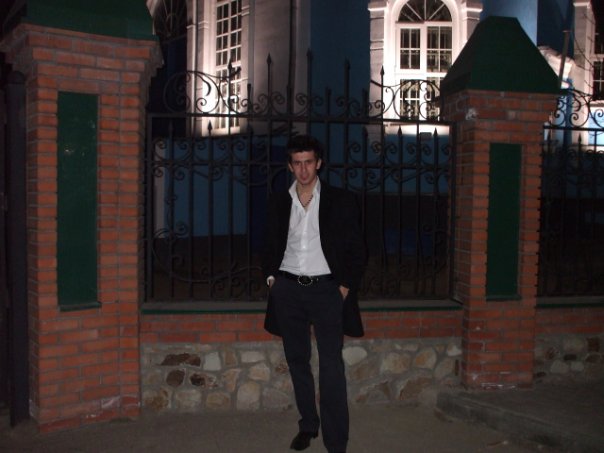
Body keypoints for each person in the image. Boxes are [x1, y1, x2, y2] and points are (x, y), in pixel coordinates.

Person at [262, 135, 366, 453]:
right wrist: (272, 280)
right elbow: (268, 242)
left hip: (326, 290)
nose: (303, 169)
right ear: (290, 166)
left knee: (331, 366)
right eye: (297, 163)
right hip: (288, 290)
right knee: (297, 360)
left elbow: (358, 248)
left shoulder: (341, 200)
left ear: (318, 163)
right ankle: (308, 425)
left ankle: (336, 443)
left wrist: (343, 287)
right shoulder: (279, 201)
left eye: (308, 162)